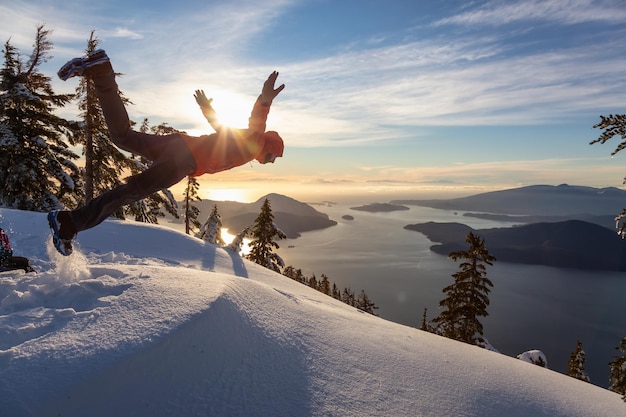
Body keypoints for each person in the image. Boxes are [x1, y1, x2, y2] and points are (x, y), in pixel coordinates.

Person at [48, 49, 285, 256]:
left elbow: (231, 128)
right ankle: (68, 222)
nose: (271, 161)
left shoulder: (249, 144)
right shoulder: (256, 142)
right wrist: (264, 100)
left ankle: (102, 73)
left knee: (123, 137)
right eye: (274, 157)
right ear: (271, 148)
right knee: (130, 192)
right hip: (181, 160)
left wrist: (208, 107)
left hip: (179, 146)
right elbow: (252, 123)